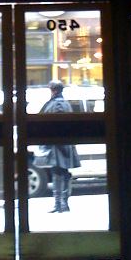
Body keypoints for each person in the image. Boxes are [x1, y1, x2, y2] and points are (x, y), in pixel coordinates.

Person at [39, 80, 80, 213]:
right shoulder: (63, 103)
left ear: (53, 90)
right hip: (62, 145)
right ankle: (62, 203)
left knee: (58, 173)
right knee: (62, 173)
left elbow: (57, 124)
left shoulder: (58, 104)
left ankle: (60, 204)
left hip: (58, 145)